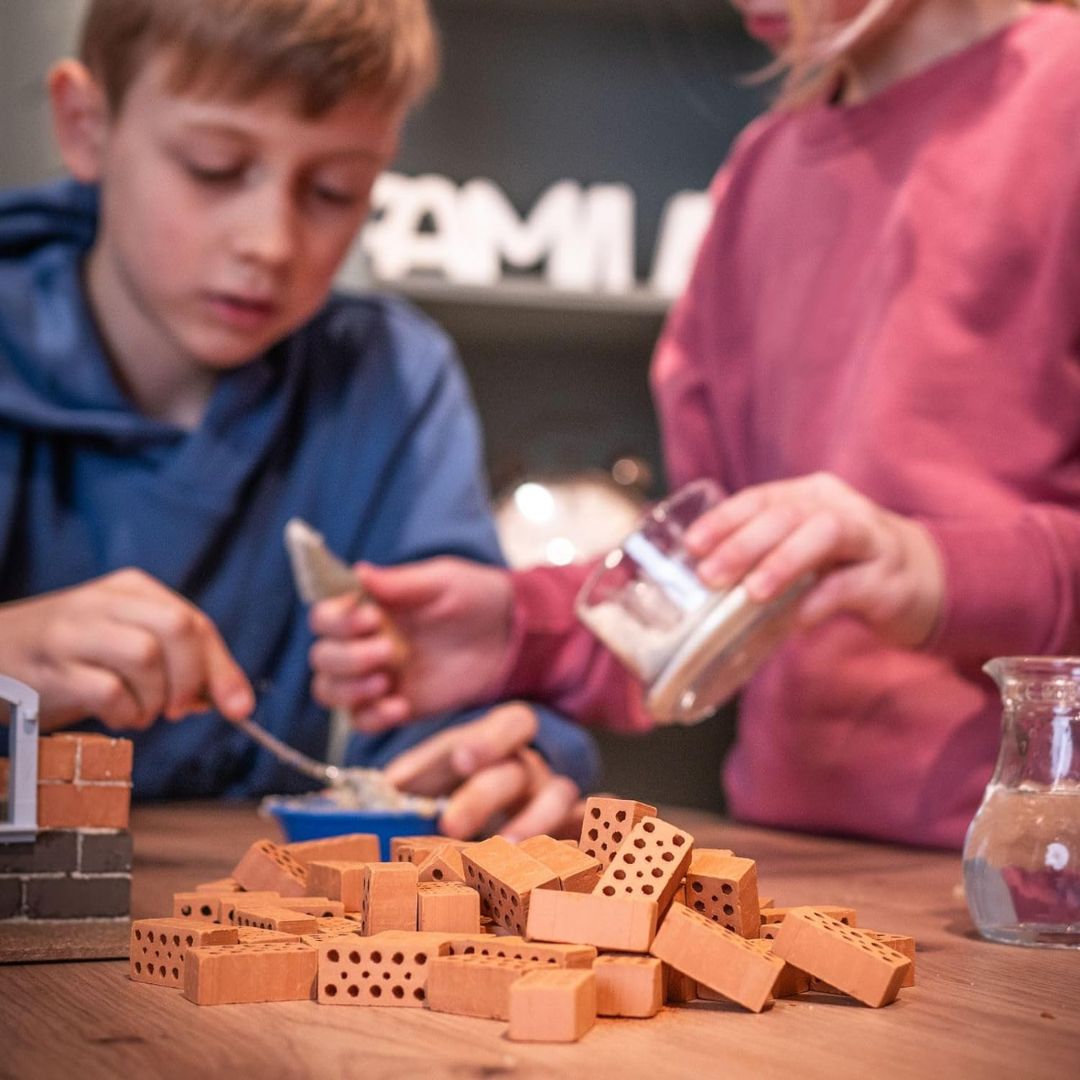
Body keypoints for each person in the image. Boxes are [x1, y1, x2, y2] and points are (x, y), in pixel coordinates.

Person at [312, 0, 1080, 849]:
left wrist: (933, 570)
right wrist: (520, 630)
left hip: (1042, 876)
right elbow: (719, 575)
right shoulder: (764, 171)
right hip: (799, 854)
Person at [0, 0, 597, 839]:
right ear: (87, 125)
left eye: (333, 190)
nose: (271, 242)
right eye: (213, 168)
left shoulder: (389, 379)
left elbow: (453, 707)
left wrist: (508, 757)